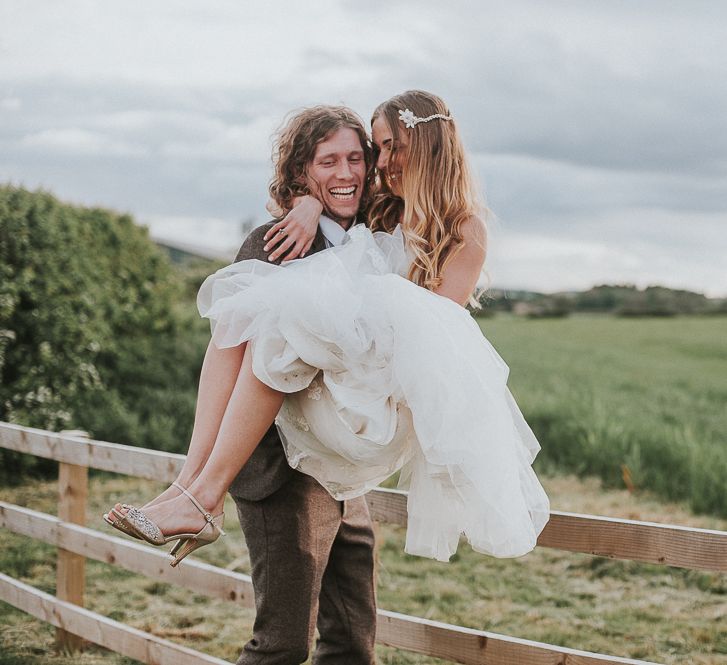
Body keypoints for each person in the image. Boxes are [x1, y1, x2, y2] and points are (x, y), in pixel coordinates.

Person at [109, 89, 549, 561]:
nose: (380, 163)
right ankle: (189, 489)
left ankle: (202, 498)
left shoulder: (464, 229)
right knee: (241, 313)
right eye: (377, 150)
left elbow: (432, 333)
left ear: (424, 147)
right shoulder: (387, 207)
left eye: (389, 148)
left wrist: (345, 309)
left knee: (281, 330)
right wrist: (308, 205)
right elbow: (333, 189)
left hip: (379, 399)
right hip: (348, 366)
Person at [106, 105, 378, 665]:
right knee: (281, 646)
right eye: (328, 161)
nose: (345, 171)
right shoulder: (273, 241)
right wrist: (195, 478)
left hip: (345, 471)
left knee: (352, 641)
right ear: (303, 172)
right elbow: (227, 354)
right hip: (280, 474)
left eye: (355, 157)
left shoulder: (372, 242)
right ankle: (191, 499)